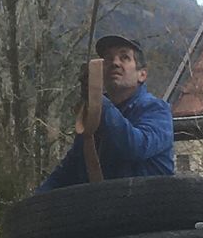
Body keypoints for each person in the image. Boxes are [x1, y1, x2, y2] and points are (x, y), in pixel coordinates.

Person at [37, 33, 174, 188]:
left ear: (142, 75)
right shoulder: (93, 116)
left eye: (124, 57)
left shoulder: (156, 110)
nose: (114, 63)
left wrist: (98, 100)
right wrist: (32, 207)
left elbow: (136, 147)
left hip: (149, 207)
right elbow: (69, 170)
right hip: (106, 208)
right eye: (108, 58)